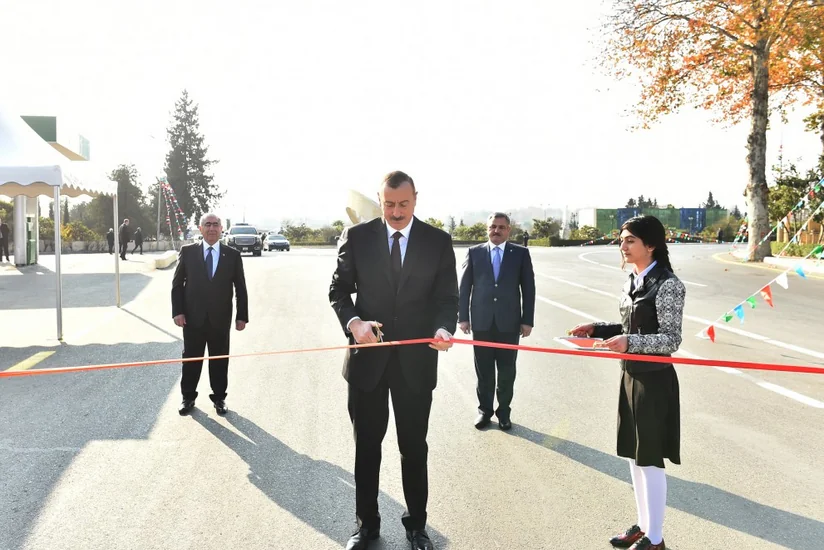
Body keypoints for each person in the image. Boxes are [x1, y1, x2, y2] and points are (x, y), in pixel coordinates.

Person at [329, 171, 458, 550]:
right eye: (388, 204)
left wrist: (444, 329)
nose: (396, 212)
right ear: (380, 200)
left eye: (403, 204)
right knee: (367, 448)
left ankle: (416, 527)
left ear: (415, 199)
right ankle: (366, 526)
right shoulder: (357, 237)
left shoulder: (437, 241)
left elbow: (446, 298)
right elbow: (338, 290)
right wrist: (354, 323)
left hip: (416, 364)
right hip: (367, 364)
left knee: (414, 448)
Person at [569, 215, 685, 550]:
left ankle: (656, 539)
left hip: (654, 380)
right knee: (634, 456)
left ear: (651, 245)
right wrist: (597, 329)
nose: (623, 245)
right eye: (622, 239)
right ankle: (644, 525)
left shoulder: (668, 284)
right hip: (629, 375)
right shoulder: (632, 280)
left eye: (631, 240)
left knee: (650, 458)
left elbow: (670, 340)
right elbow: (629, 327)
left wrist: (629, 343)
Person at [458, 212, 535, 431]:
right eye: (493, 227)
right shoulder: (474, 253)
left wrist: (527, 320)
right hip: (481, 322)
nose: (496, 231)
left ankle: (504, 412)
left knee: (507, 370)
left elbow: (528, 289)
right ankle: (484, 411)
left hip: (509, 323)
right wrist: (463, 317)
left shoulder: (520, 254)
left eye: (501, 227)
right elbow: (465, 287)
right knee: (483, 370)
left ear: (508, 230)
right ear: (487, 229)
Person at [172, 213, 248, 416]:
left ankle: (219, 398)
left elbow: (240, 288)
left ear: (221, 228)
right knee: (191, 360)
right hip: (192, 318)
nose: (212, 228)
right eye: (208, 224)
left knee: (220, 360)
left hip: (220, 319)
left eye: (216, 225)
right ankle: (188, 397)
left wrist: (242, 316)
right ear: (200, 227)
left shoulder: (232, 255)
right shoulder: (188, 252)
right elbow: (177, 284)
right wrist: (178, 311)